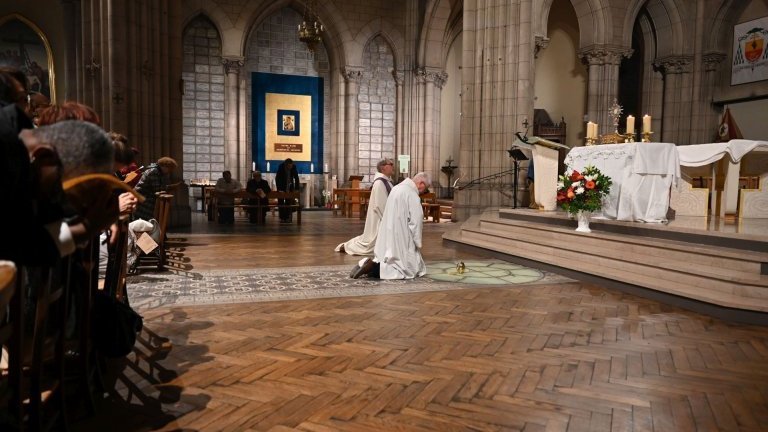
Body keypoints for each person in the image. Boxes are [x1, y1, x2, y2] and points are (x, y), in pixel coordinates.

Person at [351, 172, 431, 280]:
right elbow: (415, 221)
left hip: (389, 231)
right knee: (405, 268)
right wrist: (418, 242)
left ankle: (364, 264)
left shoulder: (396, 188)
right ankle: (372, 267)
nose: (423, 192)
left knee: (388, 259)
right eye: (425, 189)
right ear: (421, 184)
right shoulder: (412, 194)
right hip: (402, 235)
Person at [335, 159, 394, 255]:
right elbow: (381, 205)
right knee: (371, 245)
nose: (393, 166)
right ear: (383, 168)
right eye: (390, 164)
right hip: (380, 218)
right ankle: (346, 246)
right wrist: (389, 220)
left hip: (385, 217)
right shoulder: (379, 183)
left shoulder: (387, 181)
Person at [133, 157, 177, 221]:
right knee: (143, 221)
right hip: (143, 199)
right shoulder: (154, 171)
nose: (169, 172)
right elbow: (157, 189)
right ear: (164, 166)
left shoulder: (158, 171)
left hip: (146, 197)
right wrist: (169, 188)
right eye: (169, 169)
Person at [275, 158, 300, 223]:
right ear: (286, 165)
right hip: (282, 187)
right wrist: (279, 189)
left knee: (288, 203)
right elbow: (277, 178)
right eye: (289, 166)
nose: (290, 167)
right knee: (281, 202)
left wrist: (297, 189)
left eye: (291, 166)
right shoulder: (281, 166)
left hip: (289, 187)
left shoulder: (293, 167)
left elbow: (296, 178)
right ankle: (282, 218)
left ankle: (287, 217)